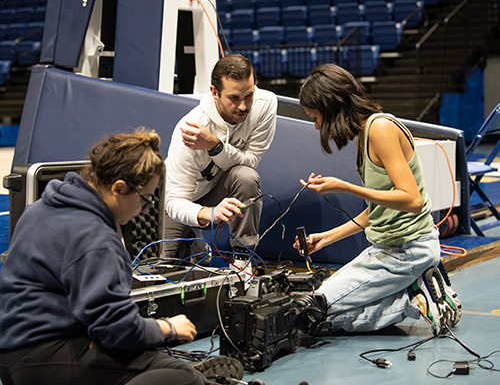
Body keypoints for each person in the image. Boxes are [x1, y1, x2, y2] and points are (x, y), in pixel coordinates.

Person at [0, 129, 242, 385]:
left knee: (157, 362)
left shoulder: (42, 207)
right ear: (119, 188)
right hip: (46, 359)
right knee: (179, 375)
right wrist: (166, 328)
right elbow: (114, 328)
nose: (144, 210)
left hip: (10, 354)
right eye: (146, 200)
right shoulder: (95, 238)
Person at [293, 64, 462, 336]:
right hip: (385, 249)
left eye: (315, 117)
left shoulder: (380, 129)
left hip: (408, 250)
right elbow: (379, 210)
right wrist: (326, 237)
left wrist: (345, 187)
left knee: (314, 313)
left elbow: (412, 200)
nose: (316, 126)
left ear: (331, 106)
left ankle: (414, 300)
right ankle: (415, 292)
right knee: (318, 308)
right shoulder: (364, 135)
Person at [164, 54, 277, 263]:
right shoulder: (191, 130)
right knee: (162, 265)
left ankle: (242, 264)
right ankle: (193, 244)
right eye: (234, 98)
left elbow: (250, 160)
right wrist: (208, 213)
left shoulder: (265, 104)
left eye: (249, 96)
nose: (243, 106)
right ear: (214, 92)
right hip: (178, 200)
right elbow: (174, 200)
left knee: (246, 177)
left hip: (216, 190)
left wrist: (215, 146)